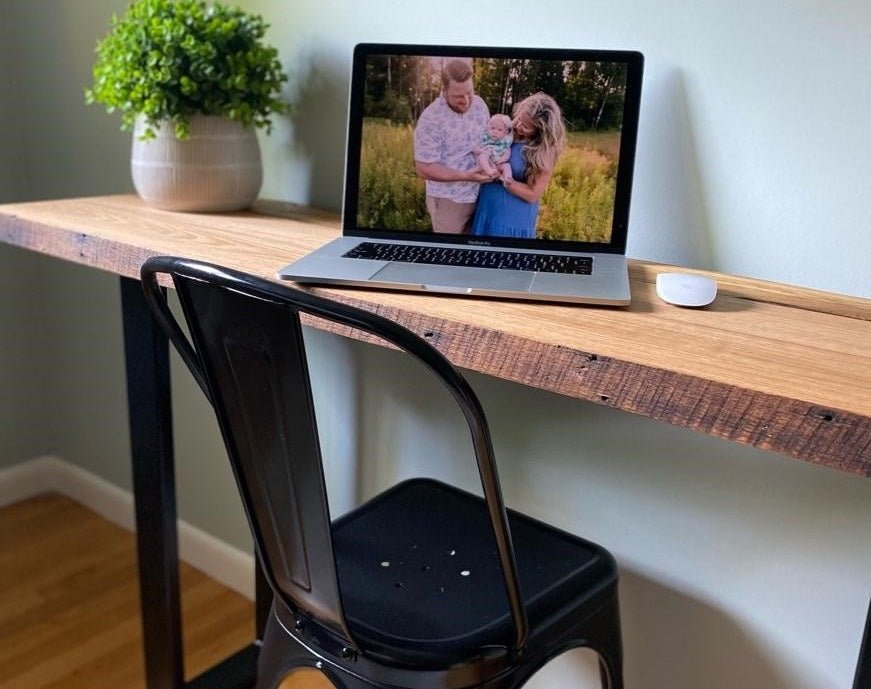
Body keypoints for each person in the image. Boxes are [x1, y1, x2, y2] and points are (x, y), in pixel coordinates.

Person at [470, 92, 567, 239]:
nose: (519, 126)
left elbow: (532, 195)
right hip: (486, 209)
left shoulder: (544, 151)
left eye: (526, 126)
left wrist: (501, 177)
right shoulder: (508, 132)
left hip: (510, 220)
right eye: (519, 120)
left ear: (540, 130)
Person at [413, 59, 494, 234]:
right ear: (444, 90)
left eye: (469, 93)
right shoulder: (431, 118)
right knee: (449, 253)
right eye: (458, 96)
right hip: (450, 200)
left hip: (482, 194)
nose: (465, 101)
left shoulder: (480, 105)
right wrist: (466, 176)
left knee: (474, 252)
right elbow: (424, 168)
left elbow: (490, 140)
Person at [474, 113, 514, 182]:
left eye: (500, 130)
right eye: (492, 128)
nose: (495, 132)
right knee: (483, 156)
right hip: (486, 162)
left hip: (497, 162)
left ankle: (508, 178)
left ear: (506, 132)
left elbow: (507, 152)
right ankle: (488, 170)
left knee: (507, 165)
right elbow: (475, 149)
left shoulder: (504, 142)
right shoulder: (485, 138)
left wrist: (502, 159)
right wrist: (481, 151)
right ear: (488, 128)